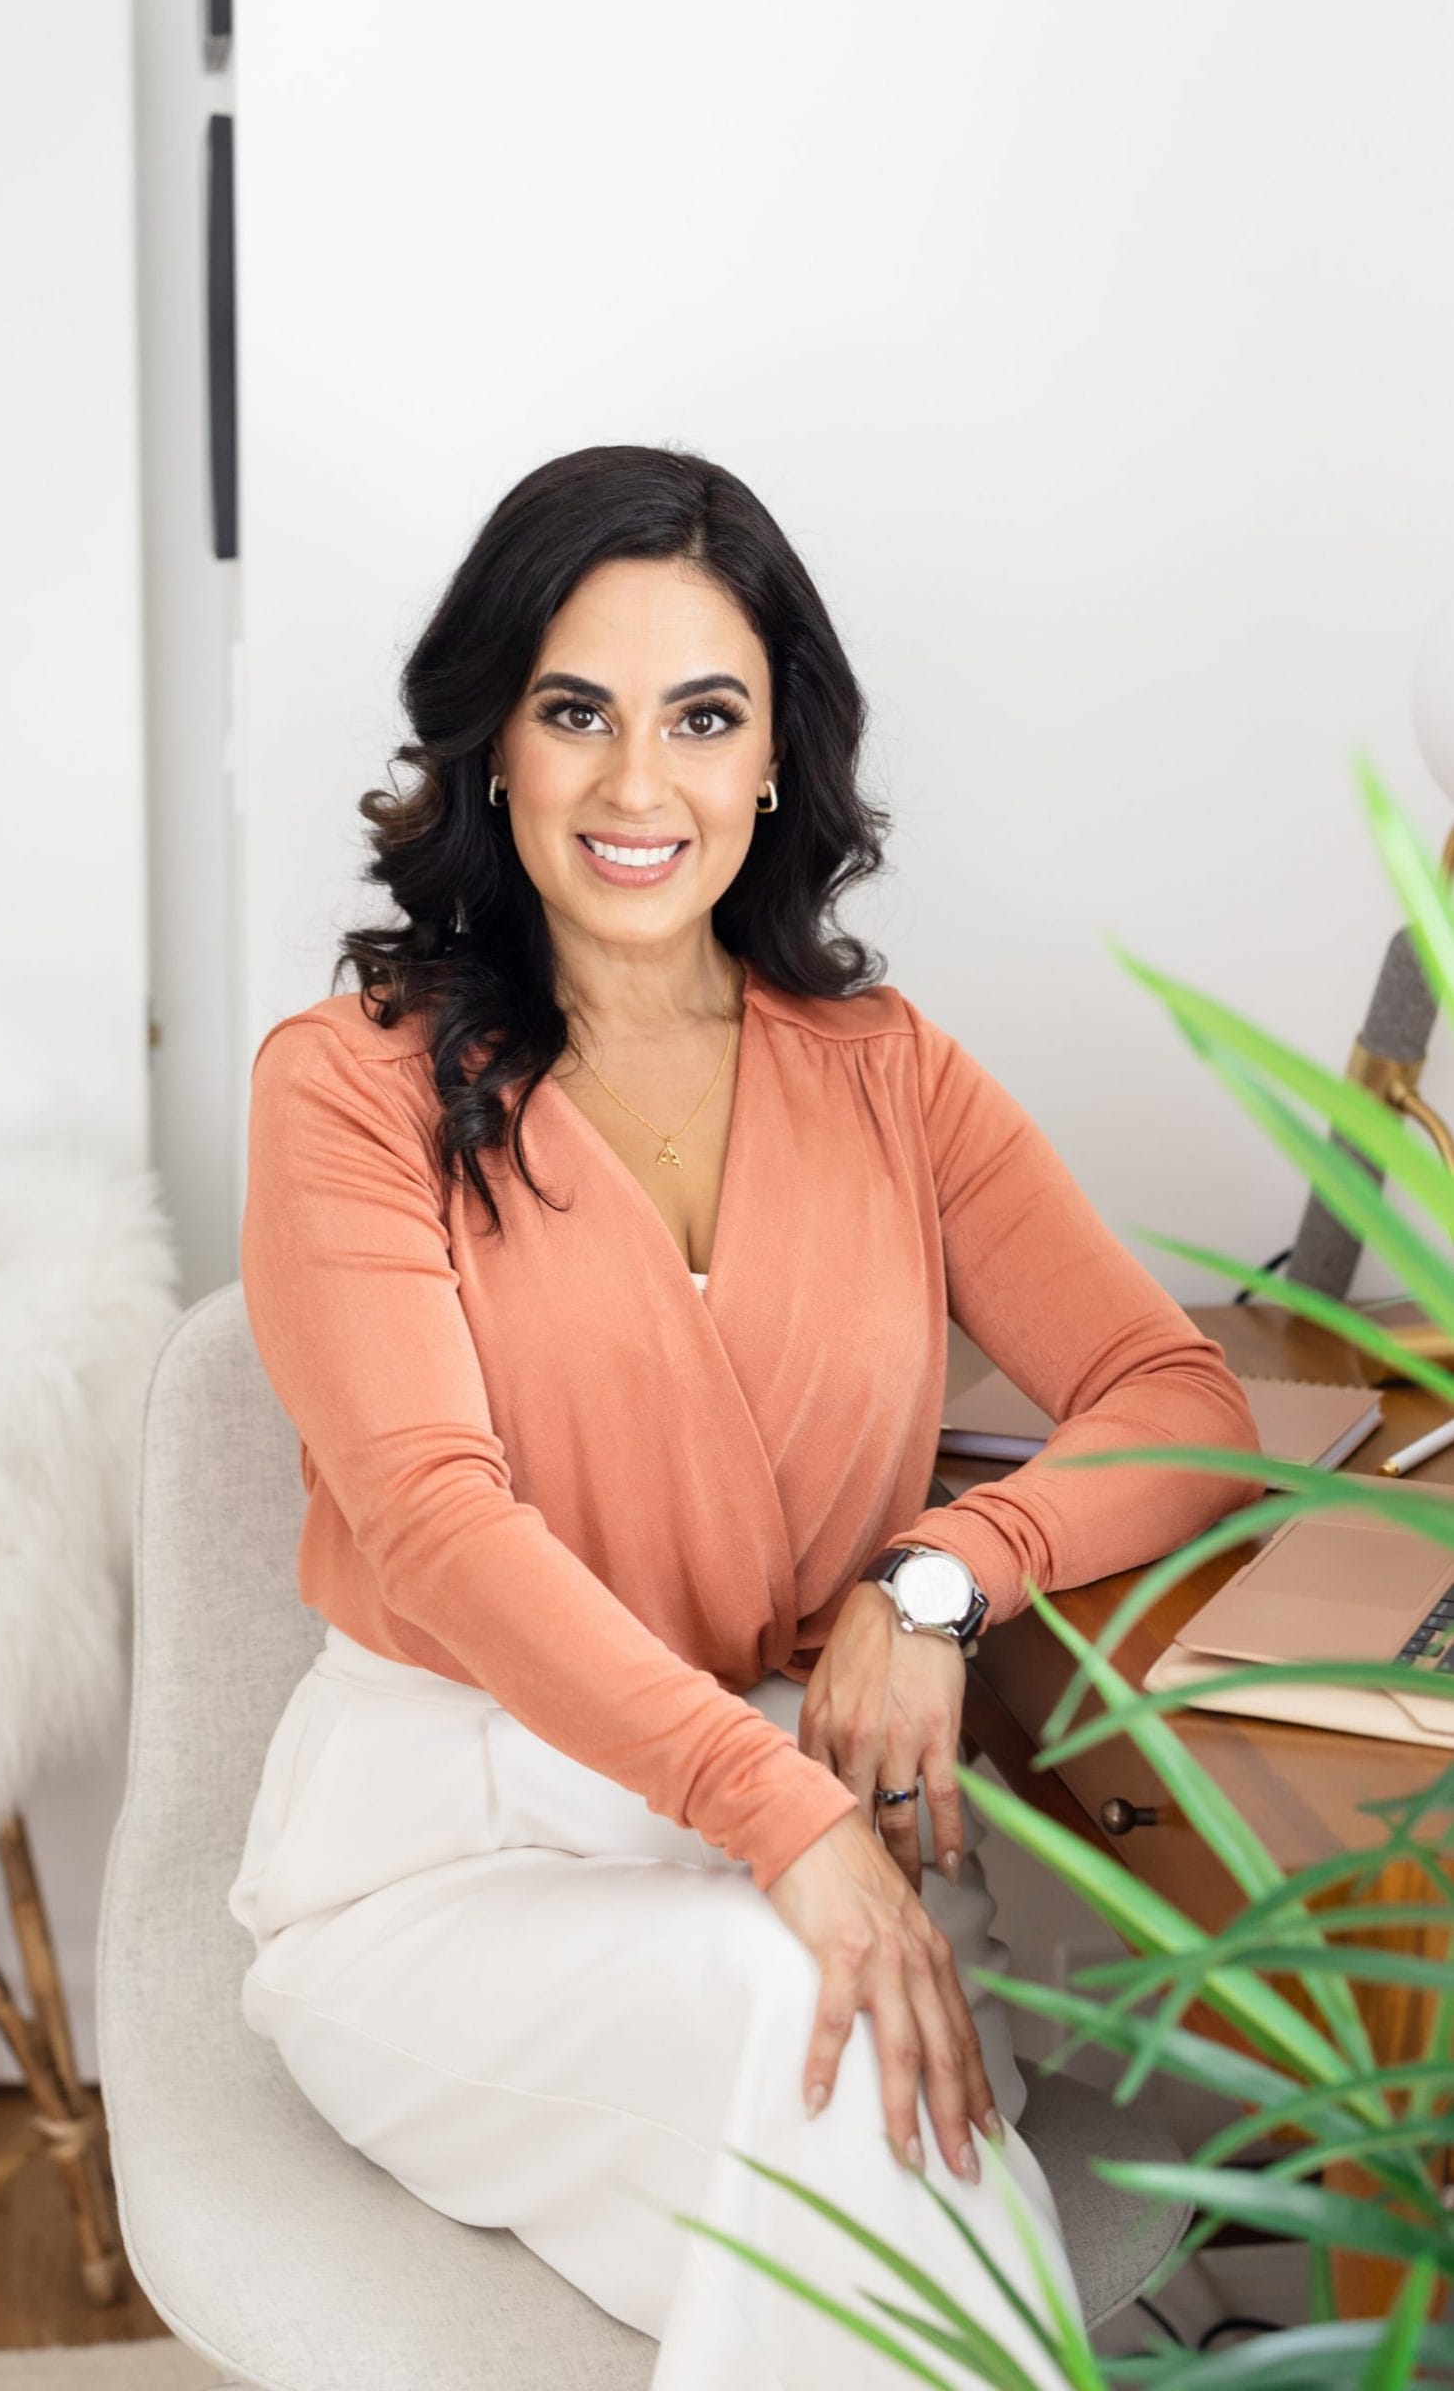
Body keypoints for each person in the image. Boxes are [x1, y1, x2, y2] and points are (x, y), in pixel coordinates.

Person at [226, 444, 1268, 2388]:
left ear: (776, 751)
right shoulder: (343, 1088)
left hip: (807, 1851)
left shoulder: (890, 1080)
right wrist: (786, 1818)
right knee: (825, 2033)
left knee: (820, 2143)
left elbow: (1178, 1397)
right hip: (451, 1856)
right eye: (574, 713)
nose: (638, 786)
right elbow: (439, 1530)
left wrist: (945, 1572)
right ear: (492, 752)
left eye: (700, 715)